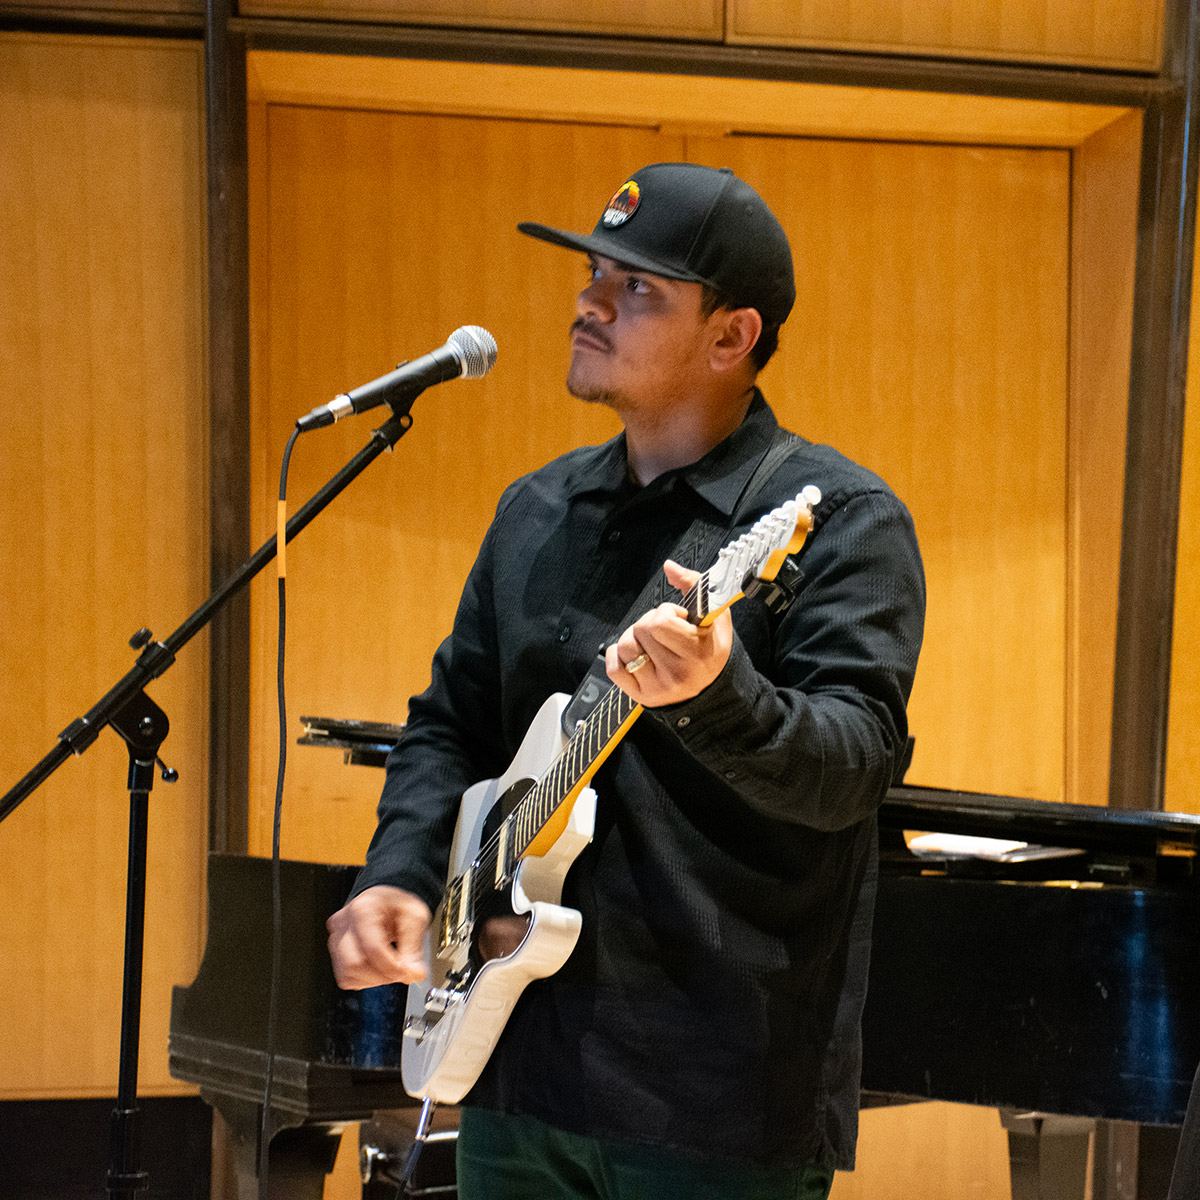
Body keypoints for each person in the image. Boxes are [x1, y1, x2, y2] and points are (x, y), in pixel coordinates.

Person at [326, 162, 926, 1199]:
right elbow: (450, 726)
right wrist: (400, 869)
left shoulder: (840, 523)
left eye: (638, 287)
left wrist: (718, 692)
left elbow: (853, 769)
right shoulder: (536, 512)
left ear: (732, 337)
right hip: (521, 1064)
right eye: (596, 273)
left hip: (718, 1100)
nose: (590, 301)